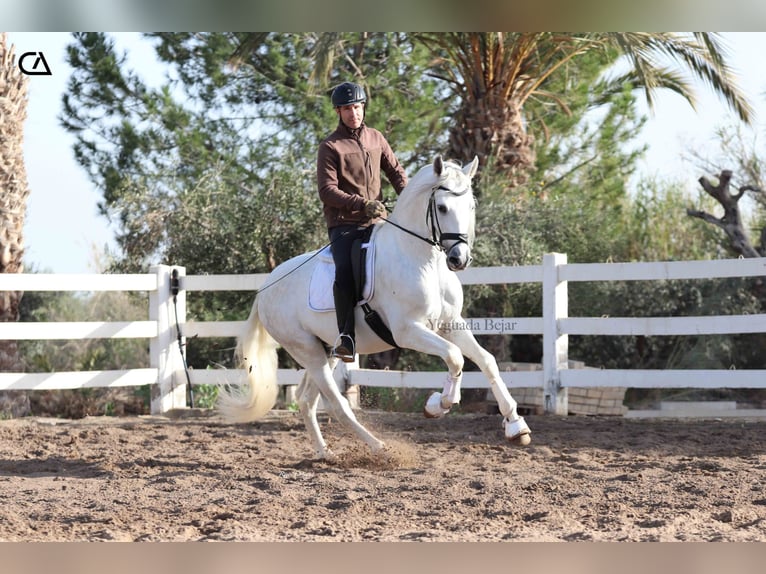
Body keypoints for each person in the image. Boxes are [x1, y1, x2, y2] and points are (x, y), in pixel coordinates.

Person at [317, 81, 408, 362]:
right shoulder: (330, 146)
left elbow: (396, 173)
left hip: (379, 221)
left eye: (356, 107)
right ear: (338, 111)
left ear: (363, 107)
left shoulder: (376, 138)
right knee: (344, 270)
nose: (353, 113)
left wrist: (411, 199)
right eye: (347, 109)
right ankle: (346, 337)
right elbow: (327, 190)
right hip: (345, 224)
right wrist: (361, 204)